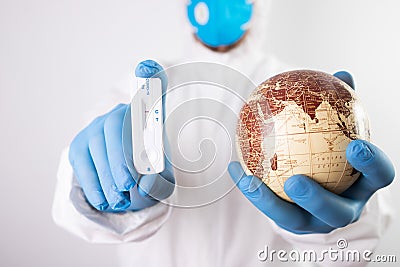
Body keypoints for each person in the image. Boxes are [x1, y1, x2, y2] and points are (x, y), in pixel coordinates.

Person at [52, 1, 395, 266]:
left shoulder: (301, 92)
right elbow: (71, 199)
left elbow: (352, 251)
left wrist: (339, 223)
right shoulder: (142, 88)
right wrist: (96, 191)